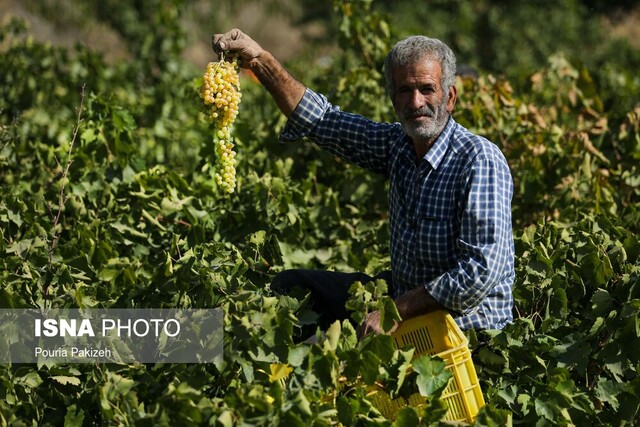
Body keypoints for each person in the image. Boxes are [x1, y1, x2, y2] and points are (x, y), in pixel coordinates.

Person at [212, 29, 515, 337]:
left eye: (427, 89)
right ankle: (203, 351)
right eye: (404, 91)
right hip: (406, 302)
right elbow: (324, 122)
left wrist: (395, 310)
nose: (416, 102)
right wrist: (259, 59)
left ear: (449, 97)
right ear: (393, 100)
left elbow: (479, 272)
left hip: (465, 328)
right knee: (293, 288)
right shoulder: (398, 145)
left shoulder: (478, 160)